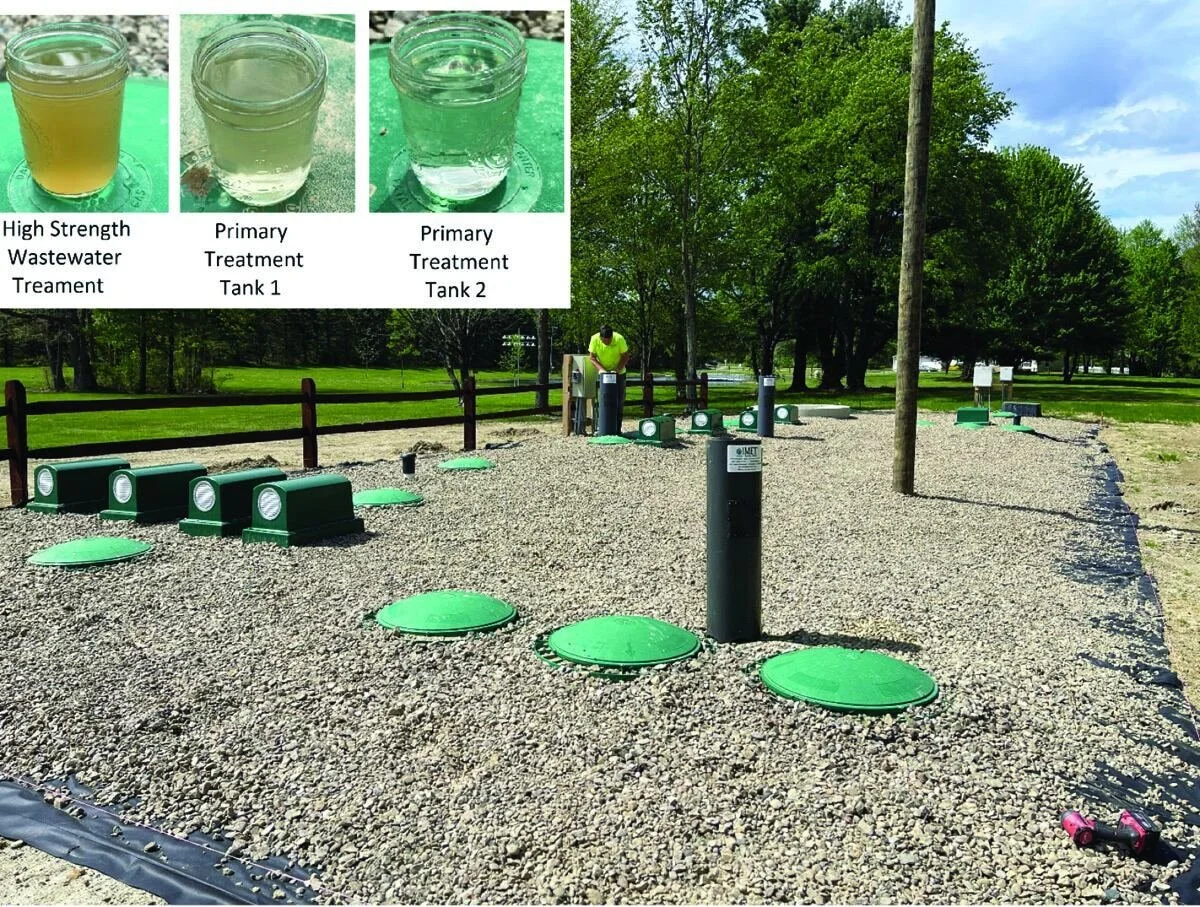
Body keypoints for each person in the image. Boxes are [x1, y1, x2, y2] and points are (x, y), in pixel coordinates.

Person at [587, 324, 630, 406]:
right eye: (604, 341)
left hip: (619, 373)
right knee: (604, 398)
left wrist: (617, 369)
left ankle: (618, 415)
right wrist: (601, 370)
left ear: (612, 337)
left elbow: (625, 356)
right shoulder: (594, 339)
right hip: (603, 374)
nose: (607, 343)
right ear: (600, 338)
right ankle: (603, 414)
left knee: (619, 399)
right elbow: (592, 357)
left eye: (609, 341)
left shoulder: (619, 339)